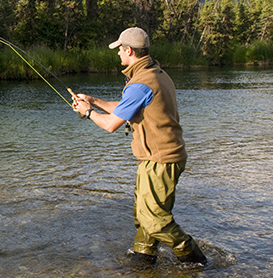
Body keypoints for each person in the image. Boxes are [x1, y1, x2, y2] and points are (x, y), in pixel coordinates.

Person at [69, 27, 207, 268]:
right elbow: (126, 107)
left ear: (129, 50)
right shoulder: (154, 73)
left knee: (153, 218)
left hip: (161, 159)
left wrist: (88, 112)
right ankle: (143, 259)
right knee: (143, 214)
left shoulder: (141, 83)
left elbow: (111, 124)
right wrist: (93, 100)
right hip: (157, 157)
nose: (118, 54)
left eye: (120, 49)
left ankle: (195, 259)